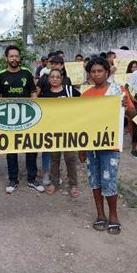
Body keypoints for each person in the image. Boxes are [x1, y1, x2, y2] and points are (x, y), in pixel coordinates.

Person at [79, 57, 135, 234]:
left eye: (99, 71)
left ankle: (113, 216)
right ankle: (100, 214)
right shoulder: (85, 95)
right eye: (93, 72)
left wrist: (127, 107)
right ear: (89, 74)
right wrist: (81, 148)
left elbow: (133, 115)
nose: (96, 74)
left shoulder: (118, 91)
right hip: (91, 146)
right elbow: (81, 122)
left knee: (109, 181)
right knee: (94, 181)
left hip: (110, 145)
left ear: (107, 72)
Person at [0, 45, 44, 194]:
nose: (14, 59)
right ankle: (13, 180)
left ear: (19, 57)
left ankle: (32, 179)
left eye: (17, 56)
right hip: (9, 120)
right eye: (11, 56)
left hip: (28, 117)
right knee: (11, 150)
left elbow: (33, 94)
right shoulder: (1, 75)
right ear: (7, 58)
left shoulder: (27, 73)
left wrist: (36, 112)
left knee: (31, 148)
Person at [41, 69, 80, 198]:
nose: (55, 79)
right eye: (52, 77)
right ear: (49, 79)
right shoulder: (45, 94)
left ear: (62, 78)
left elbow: (84, 103)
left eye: (58, 77)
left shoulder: (70, 91)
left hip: (68, 130)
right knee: (54, 159)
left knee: (70, 158)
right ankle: (54, 183)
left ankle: (73, 184)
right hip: (52, 131)